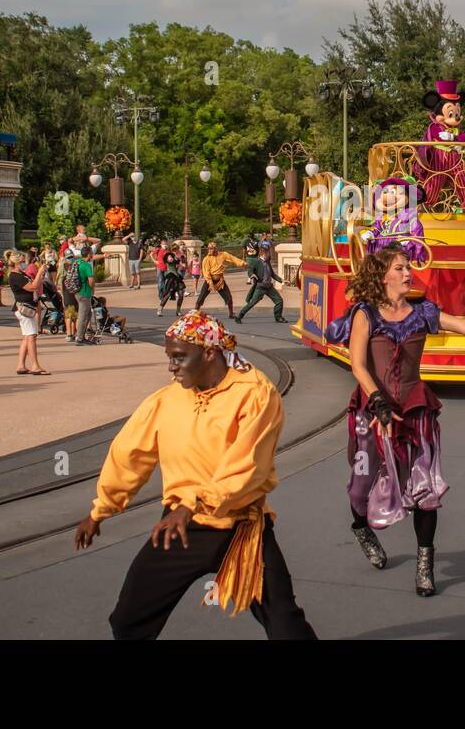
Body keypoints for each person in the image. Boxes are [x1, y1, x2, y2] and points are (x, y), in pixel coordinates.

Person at [74, 310, 317, 640]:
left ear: (209, 352)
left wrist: (194, 502)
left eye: (179, 357)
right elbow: (130, 456)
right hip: (181, 528)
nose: (171, 367)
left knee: (286, 626)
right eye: (169, 357)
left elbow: (247, 465)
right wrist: (100, 510)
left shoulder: (255, 393)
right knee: (128, 620)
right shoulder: (166, 401)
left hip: (241, 528)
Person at [324, 246, 465, 596]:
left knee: (426, 489)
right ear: (382, 276)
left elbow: (463, 324)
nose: (408, 273)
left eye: (408, 267)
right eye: (399, 268)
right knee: (361, 486)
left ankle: (425, 564)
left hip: (414, 409)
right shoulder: (365, 314)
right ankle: (361, 526)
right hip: (373, 412)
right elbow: (358, 364)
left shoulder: (422, 312)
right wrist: (377, 402)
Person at [8, 249, 51, 376]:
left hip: (27, 307)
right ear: (17, 262)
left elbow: (34, 284)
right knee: (31, 336)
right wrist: (39, 274)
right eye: (23, 261)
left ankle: (21, 365)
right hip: (24, 308)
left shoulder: (20, 274)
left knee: (27, 337)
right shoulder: (15, 276)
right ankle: (35, 365)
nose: (25, 263)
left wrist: (41, 275)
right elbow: (32, 287)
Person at [235, 244, 288, 324]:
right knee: (252, 303)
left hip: (269, 286)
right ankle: (239, 316)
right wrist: (252, 275)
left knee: (279, 301)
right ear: (264, 254)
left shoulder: (267, 262)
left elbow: (272, 274)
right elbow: (250, 271)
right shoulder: (256, 262)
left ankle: (278, 317)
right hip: (260, 287)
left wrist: (282, 280)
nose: (269, 255)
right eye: (268, 253)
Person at [196, 242, 245, 319]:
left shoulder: (223, 255)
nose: (209, 250)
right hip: (210, 281)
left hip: (220, 281)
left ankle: (231, 314)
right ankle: (195, 313)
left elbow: (233, 258)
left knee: (229, 298)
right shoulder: (206, 259)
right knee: (201, 298)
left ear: (216, 248)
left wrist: (243, 263)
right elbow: (206, 273)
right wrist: (211, 284)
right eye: (209, 248)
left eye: (211, 248)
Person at [74, 245, 97, 344]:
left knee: (88, 314)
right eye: (91, 253)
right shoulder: (87, 265)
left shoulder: (78, 262)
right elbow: (91, 280)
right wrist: (92, 289)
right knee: (83, 315)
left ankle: (81, 336)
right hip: (84, 293)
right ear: (88, 254)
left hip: (77, 291)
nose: (92, 254)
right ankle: (79, 338)